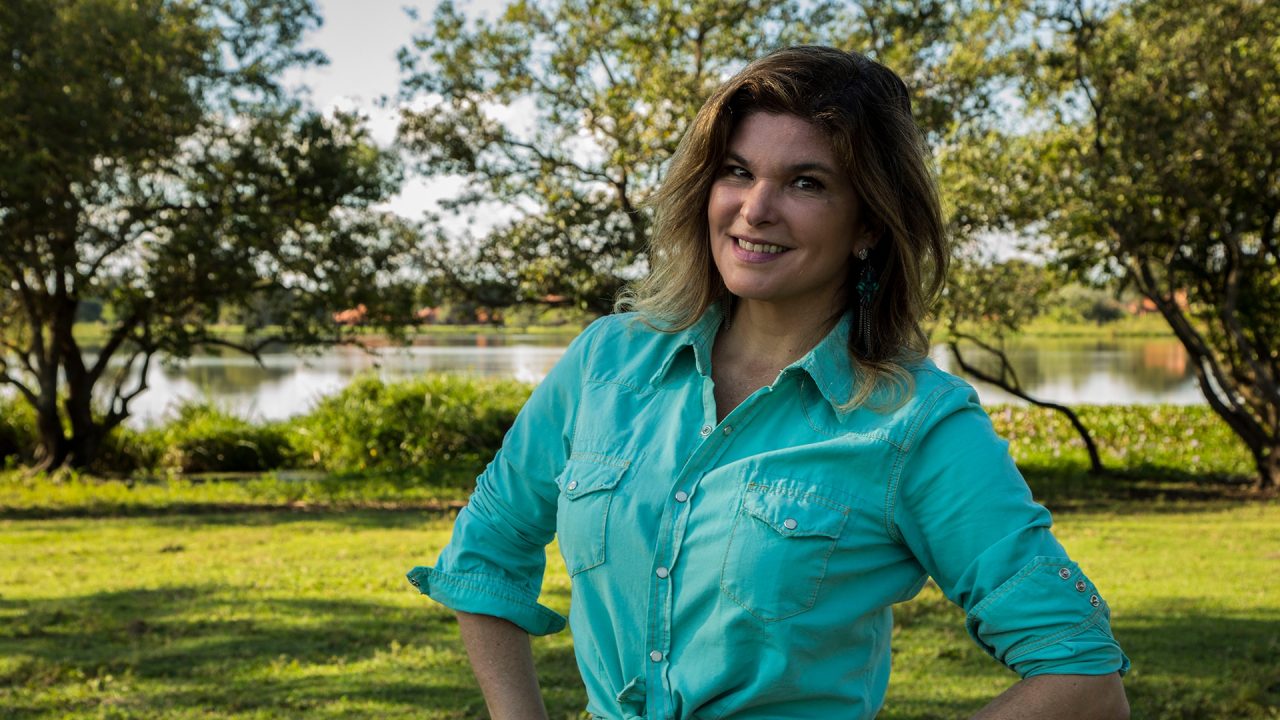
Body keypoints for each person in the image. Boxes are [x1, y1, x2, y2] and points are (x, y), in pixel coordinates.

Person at [407, 46, 1130, 720]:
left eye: (805, 183)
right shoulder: (607, 361)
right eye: (737, 172)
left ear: (869, 225)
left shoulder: (915, 423)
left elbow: (1083, 679)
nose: (755, 209)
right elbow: (489, 552)